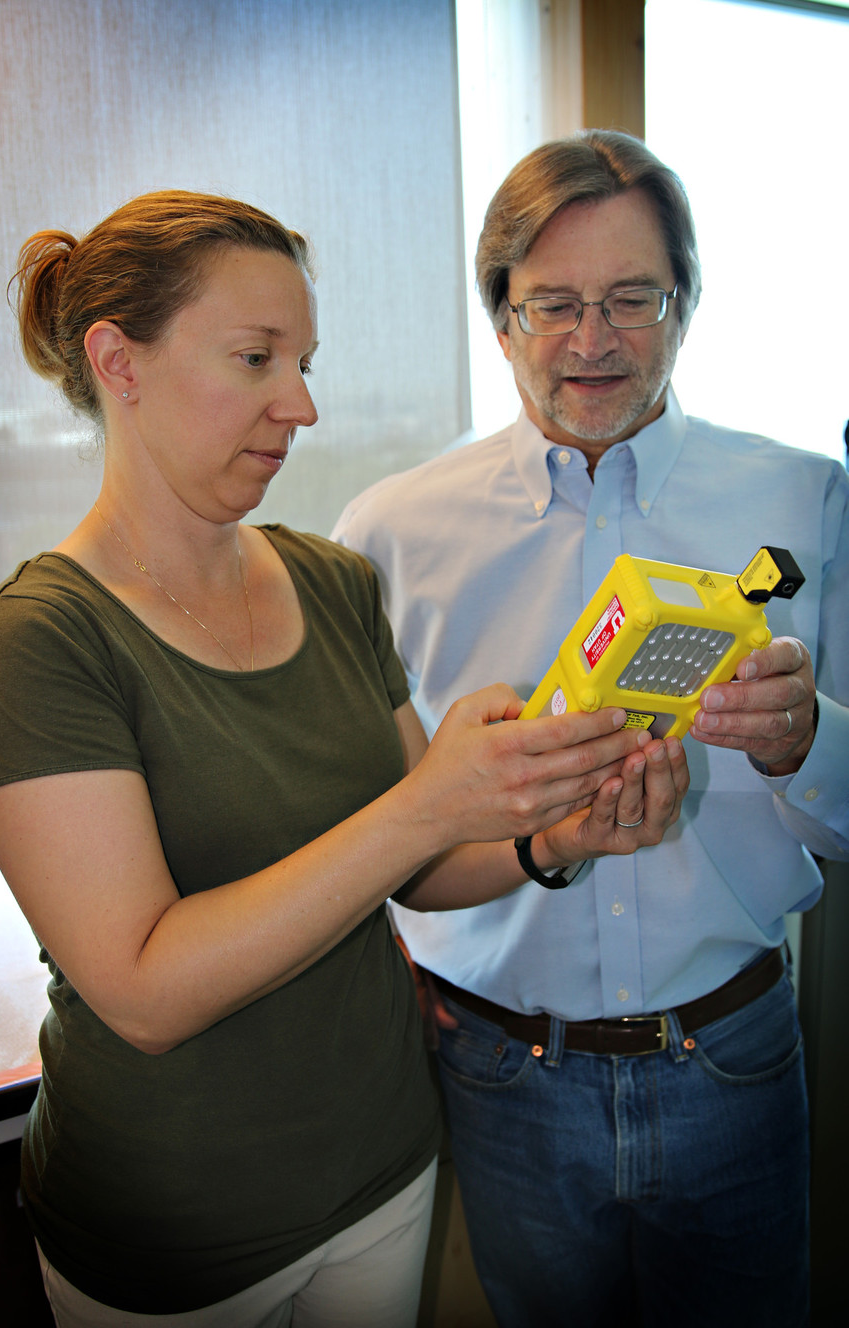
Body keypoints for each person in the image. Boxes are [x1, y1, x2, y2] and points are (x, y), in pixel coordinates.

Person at [0, 191, 687, 1328]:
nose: (299, 404)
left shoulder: (330, 580)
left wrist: (549, 838)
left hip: (383, 1166)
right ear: (119, 361)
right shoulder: (35, 642)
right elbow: (146, 988)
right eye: (255, 358)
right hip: (175, 1227)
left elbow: (423, 865)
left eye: (302, 360)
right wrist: (425, 805)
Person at [332, 131, 849, 1327]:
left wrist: (801, 735)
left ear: (688, 302)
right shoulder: (390, 534)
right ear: (499, 318)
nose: (593, 339)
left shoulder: (805, 497)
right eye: (552, 303)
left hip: (734, 1053)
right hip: (502, 1071)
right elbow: (380, 835)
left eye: (631, 298)